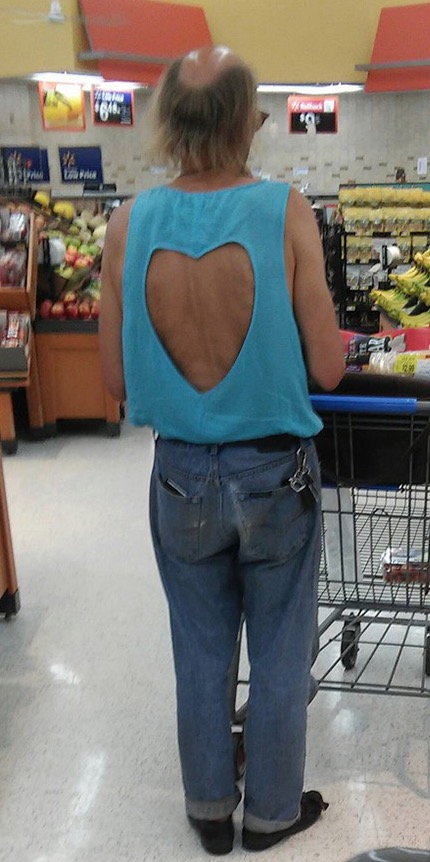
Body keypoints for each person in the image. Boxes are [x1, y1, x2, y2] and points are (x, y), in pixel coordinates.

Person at [99, 45, 345, 856]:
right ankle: (271, 814)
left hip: (179, 476)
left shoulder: (128, 224)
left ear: (169, 122)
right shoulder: (285, 210)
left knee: (200, 649)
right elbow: (328, 366)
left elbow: (113, 380)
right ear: (250, 121)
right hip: (275, 473)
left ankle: (209, 809)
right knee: (279, 652)